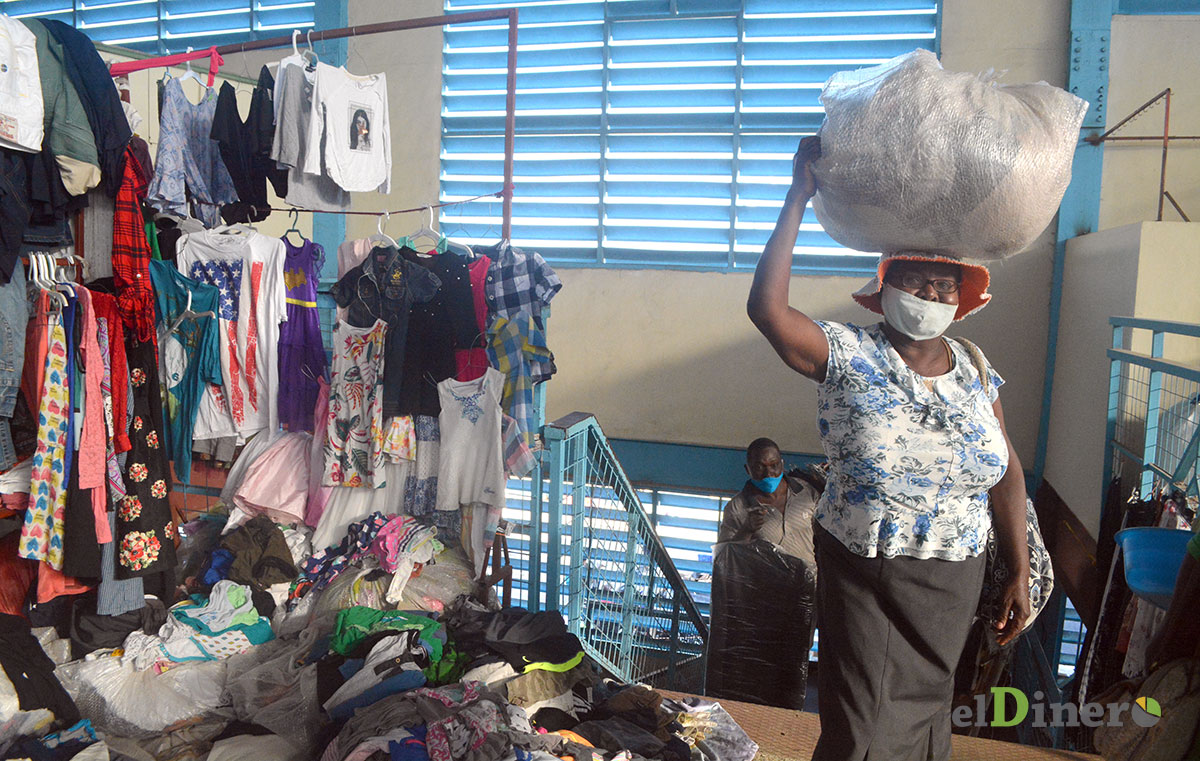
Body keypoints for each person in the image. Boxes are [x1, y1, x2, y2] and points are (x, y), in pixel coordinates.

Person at [746, 136, 1031, 761]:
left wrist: (1019, 569)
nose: (930, 295)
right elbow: (768, 310)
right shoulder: (849, 353)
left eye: (944, 286)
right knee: (864, 728)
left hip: (955, 572)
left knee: (928, 714)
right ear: (883, 287)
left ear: (962, 300)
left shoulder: (976, 369)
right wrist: (797, 197)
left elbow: (1006, 473)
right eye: (913, 281)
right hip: (867, 568)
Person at [707, 437, 820, 709]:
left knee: (798, 653)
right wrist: (746, 529)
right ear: (748, 469)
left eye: (773, 465)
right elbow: (725, 558)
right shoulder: (737, 507)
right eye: (760, 467)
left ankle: (790, 711)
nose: (768, 473)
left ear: (782, 463)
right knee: (769, 659)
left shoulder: (808, 493)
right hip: (765, 601)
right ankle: (765, 712)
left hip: (810, 593)